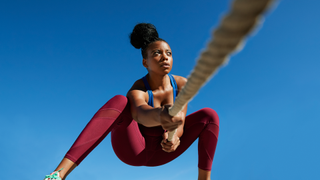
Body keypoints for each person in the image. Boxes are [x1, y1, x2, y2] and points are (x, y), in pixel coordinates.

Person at [44, 23, 219, 180]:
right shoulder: (138, 89)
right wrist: (161, 115)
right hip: (134, 150)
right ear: (145, 62)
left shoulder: (182, 85)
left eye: (169, 53)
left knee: (209, 116)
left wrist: (173, 137)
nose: (165, 57)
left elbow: (180, 120)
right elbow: (140, 114)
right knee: (119, 101)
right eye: (157, 53)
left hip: (163, 153)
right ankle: (58, 175)